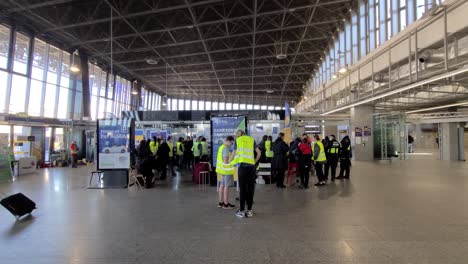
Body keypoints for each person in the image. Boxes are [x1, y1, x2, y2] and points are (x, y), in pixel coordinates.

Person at [229, 130, 261, 218]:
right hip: (251, 168)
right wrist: (254, 161)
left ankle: (242, 211)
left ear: (240, 135)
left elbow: (233, 153)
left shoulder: (238, 140)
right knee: (250, 189)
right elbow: (259, 153)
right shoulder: (251, 139)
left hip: (242, 167)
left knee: (242, 189)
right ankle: (249, 211)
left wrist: (229, 161)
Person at [216, 136, 236, 209]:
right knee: (226, 187)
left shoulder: (221, 147)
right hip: (226, 170)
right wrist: (233, 157)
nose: (232, 144)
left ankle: (221, 202)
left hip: (222, 170)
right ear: (228, 141)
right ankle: (226, 204)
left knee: (222, 185)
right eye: (231, 142)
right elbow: (226, 161)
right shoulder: (225, 148)